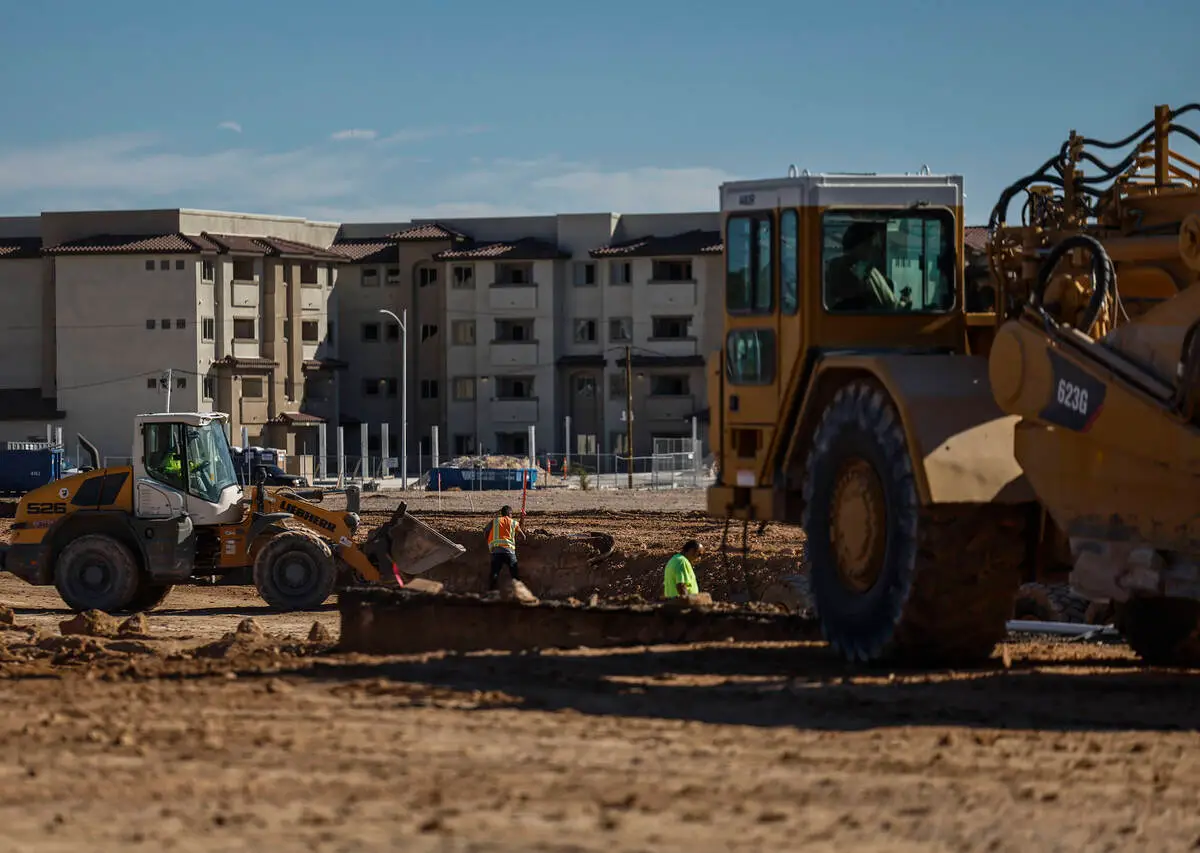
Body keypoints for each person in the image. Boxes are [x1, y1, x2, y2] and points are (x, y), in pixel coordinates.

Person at [483, 504, 525, 591]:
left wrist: (488, 540)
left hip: (496, 552)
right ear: (510, 513)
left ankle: (492, 593)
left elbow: (485, 531)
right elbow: (523, 537)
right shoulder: (513, 522)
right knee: (515, 575)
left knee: (494, 574)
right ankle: (520, 593)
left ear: (502, 514)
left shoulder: (495, 521)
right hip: (510, 552)